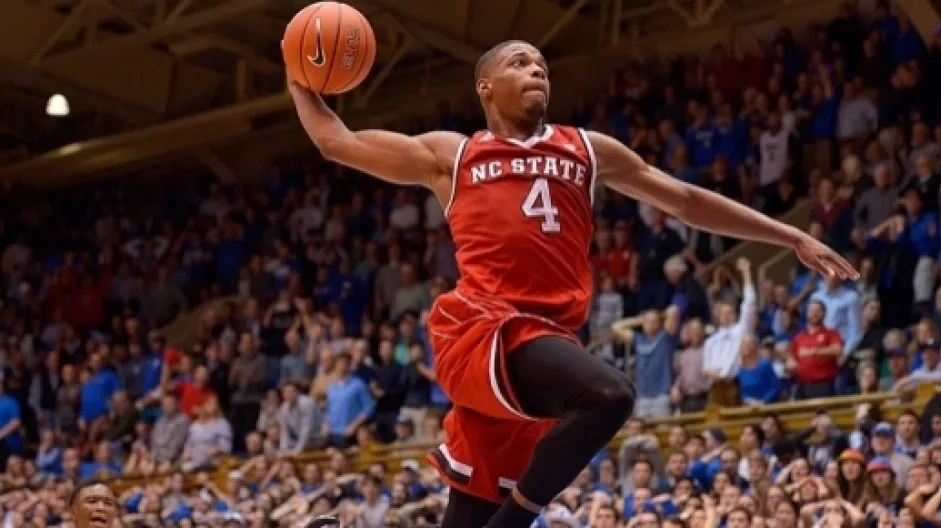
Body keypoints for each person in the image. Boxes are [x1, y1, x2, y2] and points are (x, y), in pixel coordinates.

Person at [286, 39, 857, 528]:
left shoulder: (585, 149)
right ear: (485, 86)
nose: (536, 70)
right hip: (485, 330)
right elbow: (337, 140)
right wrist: (296, 72)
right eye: (519, 63)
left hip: (545, 350)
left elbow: (685, 200)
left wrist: (789, 235)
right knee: (610, 395)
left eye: (541, 65)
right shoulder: (453, 155)